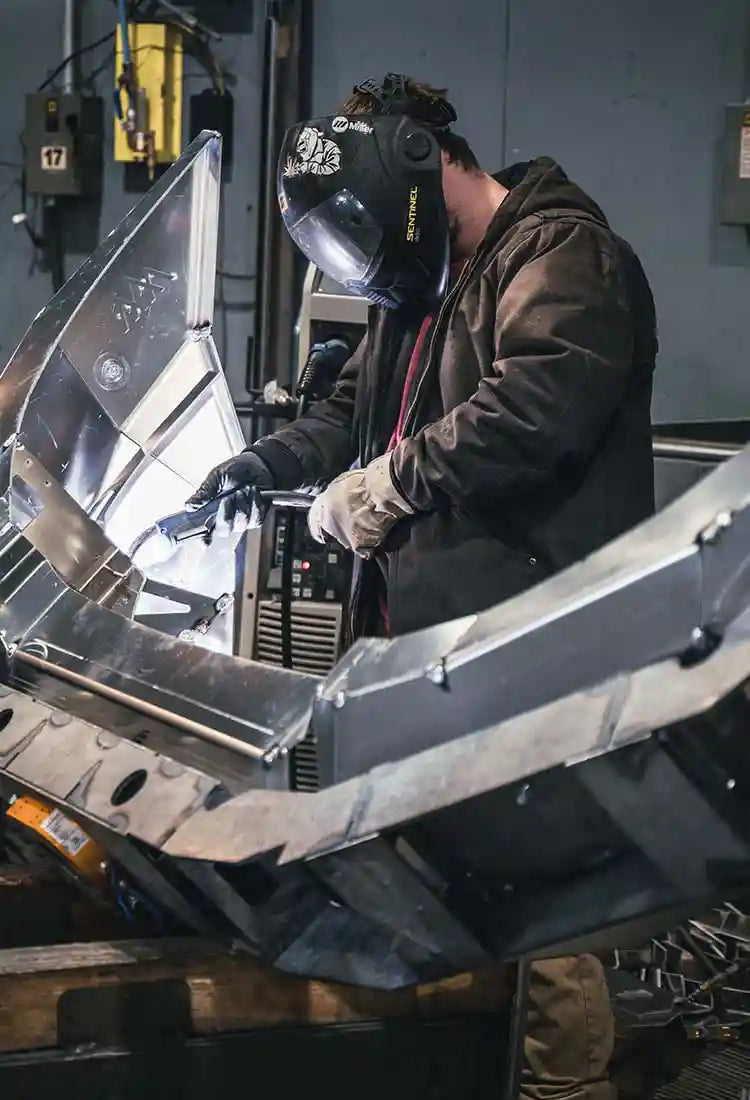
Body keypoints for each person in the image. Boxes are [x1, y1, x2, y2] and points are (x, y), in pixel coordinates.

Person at [189, 74, 657, 1099]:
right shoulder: (423, 288)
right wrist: (260, 466)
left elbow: (532, 408)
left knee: (543, 903)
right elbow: (356, 420)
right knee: (453, 888)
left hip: (530, 642)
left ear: (423, 163)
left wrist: (389, 486)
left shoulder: (564, 256)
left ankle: (559, 1090)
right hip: (430, 647)